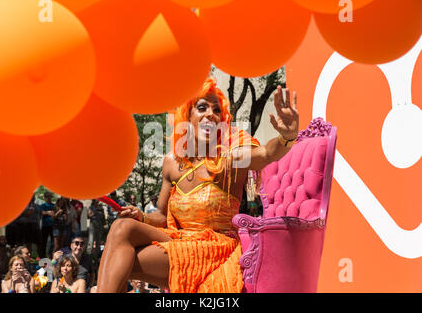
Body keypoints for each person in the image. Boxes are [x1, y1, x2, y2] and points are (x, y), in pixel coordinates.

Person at [96, 78, 299, 293]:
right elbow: (162, 217)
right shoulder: (171, 163)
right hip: (179, 239)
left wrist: (287, 136)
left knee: (120, 262)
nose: (210, 114)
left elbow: (267, 154)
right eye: (202, 107)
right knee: (122, 227)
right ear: (187, 115)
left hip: (215, 248)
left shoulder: (229, 157)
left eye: (216, 110)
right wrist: (141, 216)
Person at [39, 192, 55, 258]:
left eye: (50, 196)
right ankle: (42, 257)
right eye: (47, 196)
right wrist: (47, 212)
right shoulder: (43, 205)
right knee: (43, 243)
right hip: (45, 226)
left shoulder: (54, 205)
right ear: (45, 198)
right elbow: (41, 212)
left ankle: (51, 256)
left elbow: (55, 213)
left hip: (53, 226)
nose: (48, 198)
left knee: (53, 243)